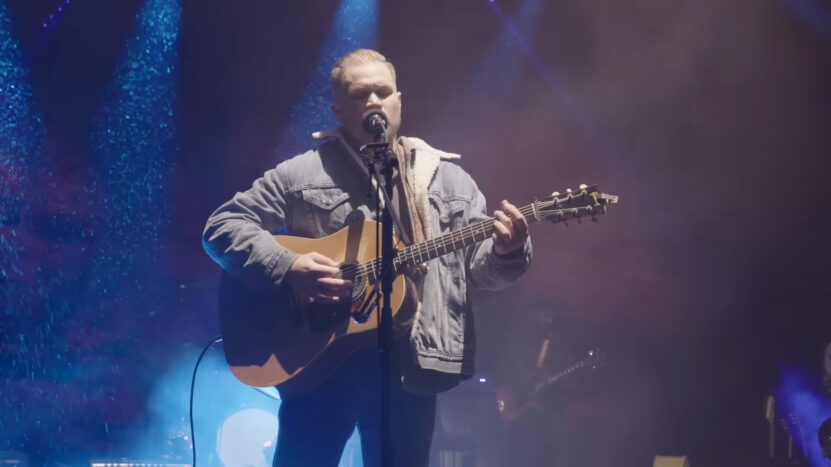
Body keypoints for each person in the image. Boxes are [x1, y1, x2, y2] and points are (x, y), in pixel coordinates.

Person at [203, 48, 532, 467]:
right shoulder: (302, 173)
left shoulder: (449, 180)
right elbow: (222, 226)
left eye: (383, 92)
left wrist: (507, 251)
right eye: (361, 95)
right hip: (318, 363)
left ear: (399, 100)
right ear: (339, 110)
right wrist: (289, 267)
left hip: (409, 364)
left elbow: (481, 273)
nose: (374, 102)